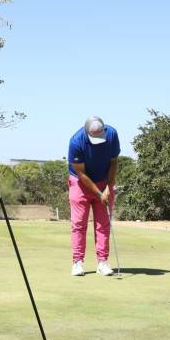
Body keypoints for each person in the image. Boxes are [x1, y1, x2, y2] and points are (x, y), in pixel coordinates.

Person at [67, 116, 120, 276]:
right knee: (79, 224)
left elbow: (114, 161)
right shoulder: (76, 141)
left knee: (103, 225)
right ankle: (77, 263)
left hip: (104, 181)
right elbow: (81, 173)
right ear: (86, 132)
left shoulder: (111, 134)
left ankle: (102, 262)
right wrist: (98, 193)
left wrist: (109, 187)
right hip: (80, 183)